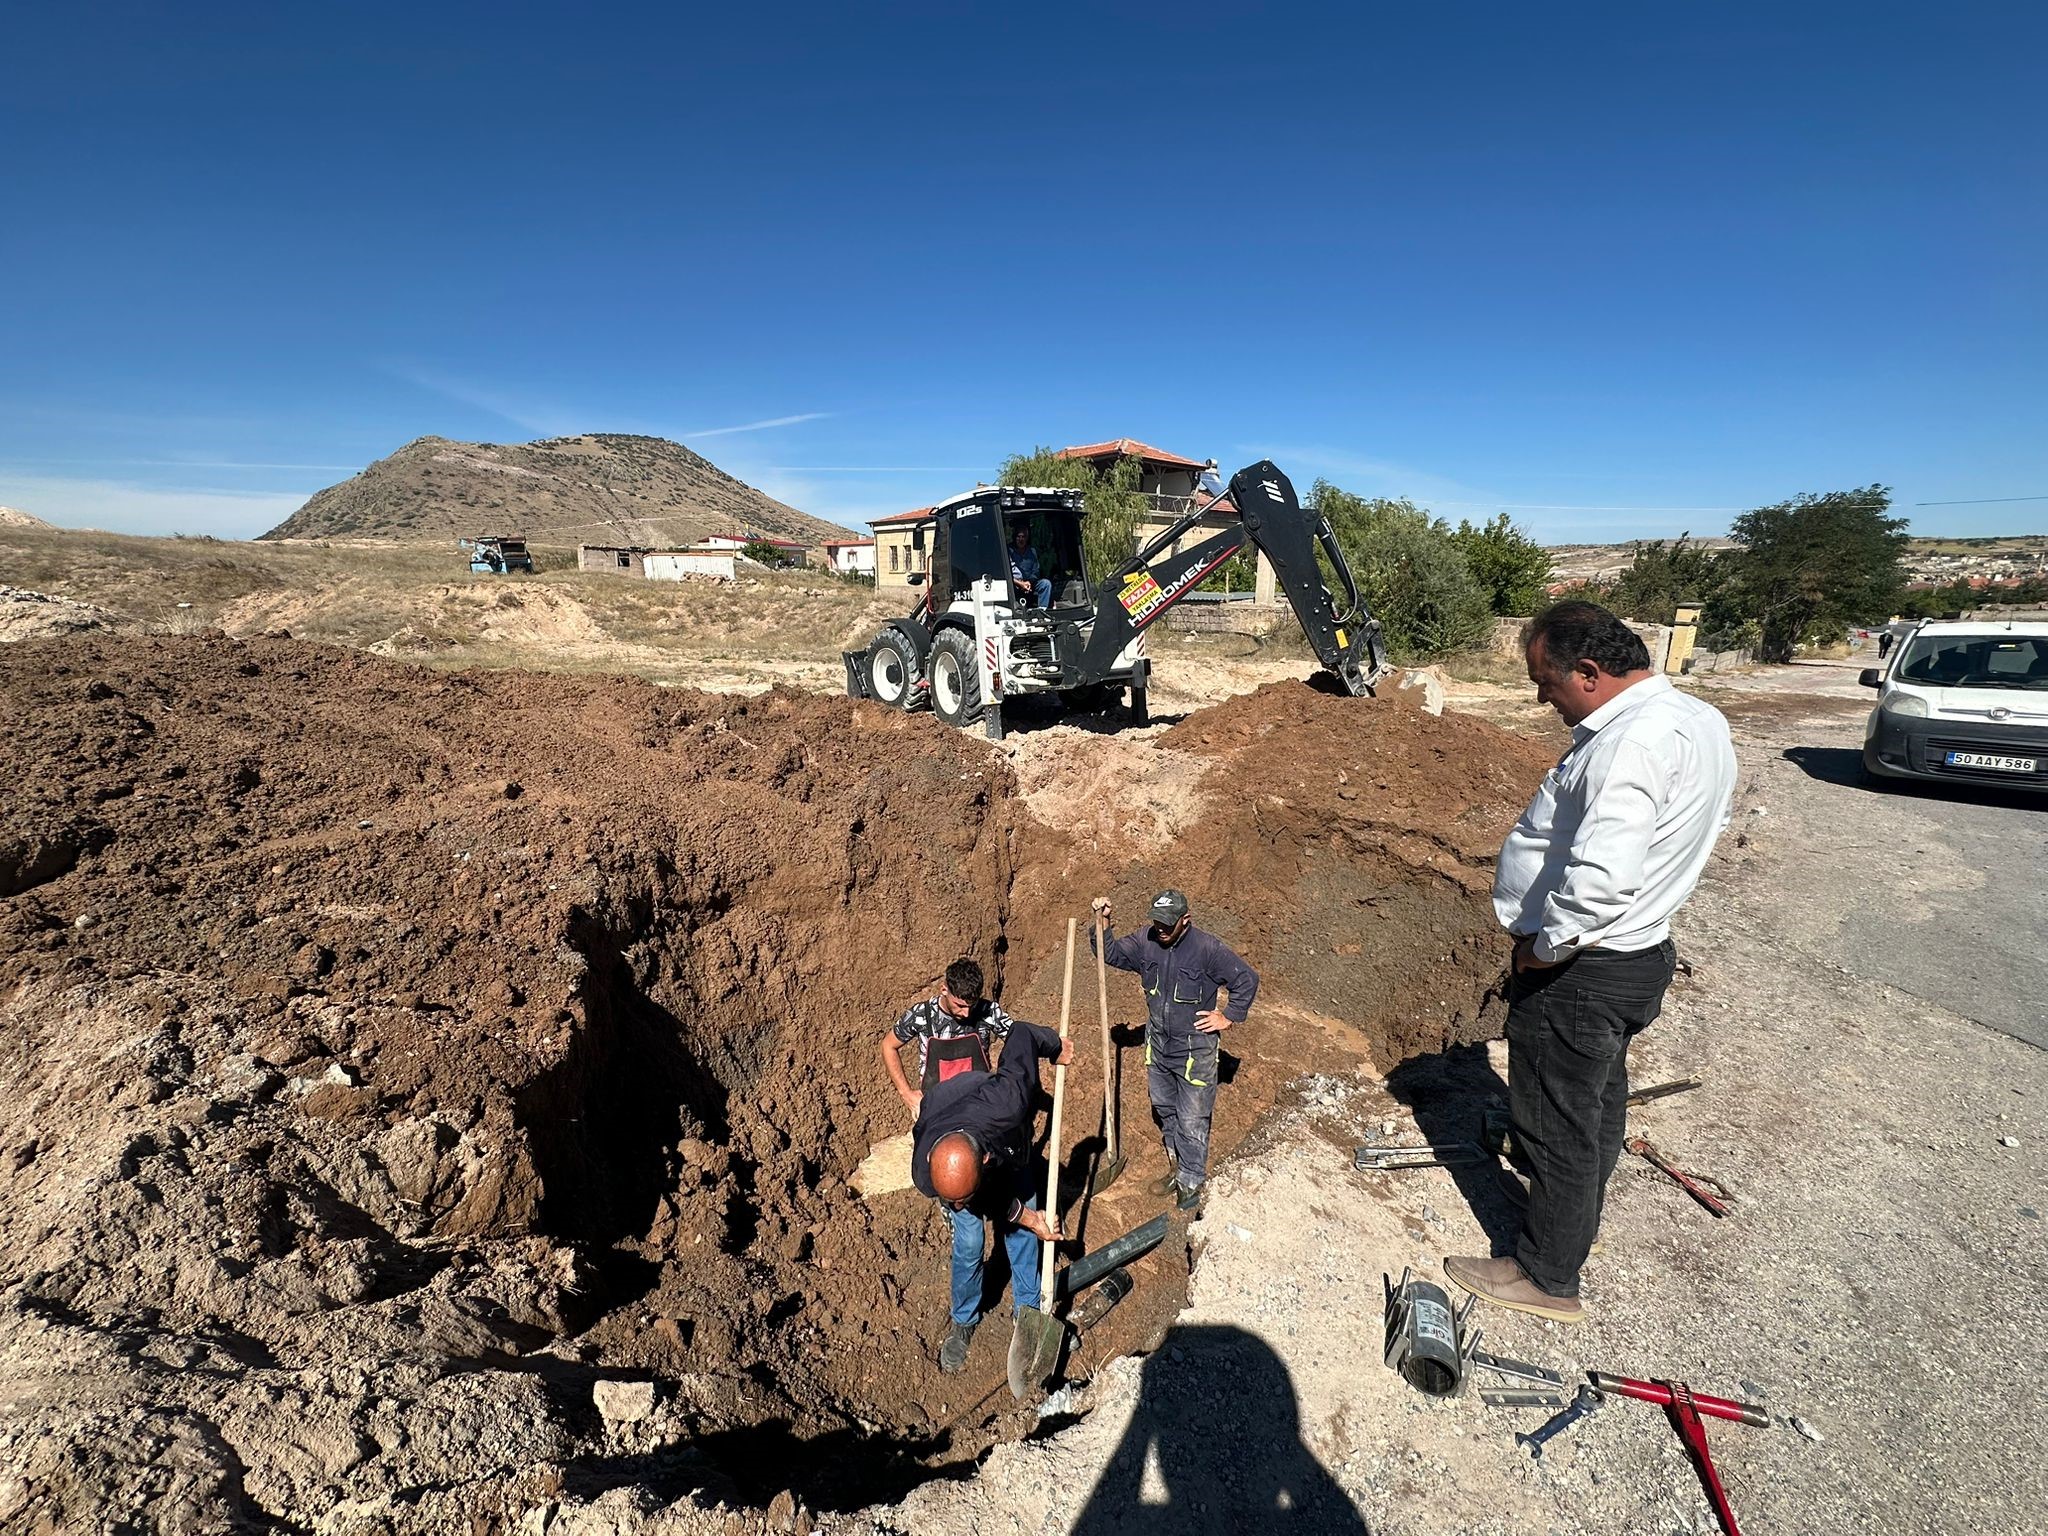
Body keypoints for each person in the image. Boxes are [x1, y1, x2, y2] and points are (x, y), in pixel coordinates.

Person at [1445, 601, 1736, 1324]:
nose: (1542, 698)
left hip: (1585, 972)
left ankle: (1547, 1274)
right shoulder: (1697, 721)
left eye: (1545, 681)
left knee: (1555, 1124)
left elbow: (1602, 880)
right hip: (1639, 955)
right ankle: (1572, 1219)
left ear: (1589, 671)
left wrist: (1543, 953)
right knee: (1597, 1106)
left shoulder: (1629, 744)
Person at [911, 1011, 1072, 1373]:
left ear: (983, 1162)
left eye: (963, 1199)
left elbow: (1022, 1033)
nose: (958, 1205)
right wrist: (1031, 1217)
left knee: (1021, 1234)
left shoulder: (1008, 1100)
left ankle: (1028, 1311)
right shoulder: (927, 1171)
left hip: (1006, 1143)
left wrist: (1056, 1045)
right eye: (951, 1200)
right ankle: (964, 1320)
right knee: (968, 1244)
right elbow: (983, 1200)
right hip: (949, 1107)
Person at [1090, 890, 1258, 1212]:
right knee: (1166, 1107)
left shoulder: (1207, 949)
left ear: (1186, 921)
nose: (1162, 929)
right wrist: (1104, 922)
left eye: (1168, 924)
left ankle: (1191, 1179)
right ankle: (1176, 1166)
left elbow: (1246, 979)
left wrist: (1229, 1016)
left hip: (1195, 1046)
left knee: (1193, 1117)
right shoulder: (1146, 941)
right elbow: (1108, 953)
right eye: (1157, 922)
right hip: (1158, 1042)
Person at [879, 957, 1019, 1120]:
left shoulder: (988, 1011)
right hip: (935, 1109)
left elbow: (1019, 1039)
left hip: (979, 1106)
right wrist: (906, 1094)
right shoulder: (921, 1015)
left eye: (971, 1005)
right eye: (959, 1006)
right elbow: (888, 1046)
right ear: (944, 989)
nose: (966, 1013)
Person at [1010, 524, 1053, 610]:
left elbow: (1036, 571)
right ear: (1015, 538)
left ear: (1027, 538)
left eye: (1024, 537)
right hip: (1014, 584)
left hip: (1029, 584)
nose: (1021, 539)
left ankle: (1041, 611)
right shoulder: (1009, 551)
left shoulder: (1032, 551)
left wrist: (1028, 582)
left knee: (1045, 584)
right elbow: (1007, 574)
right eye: (1019, 537)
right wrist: (1021, 584)